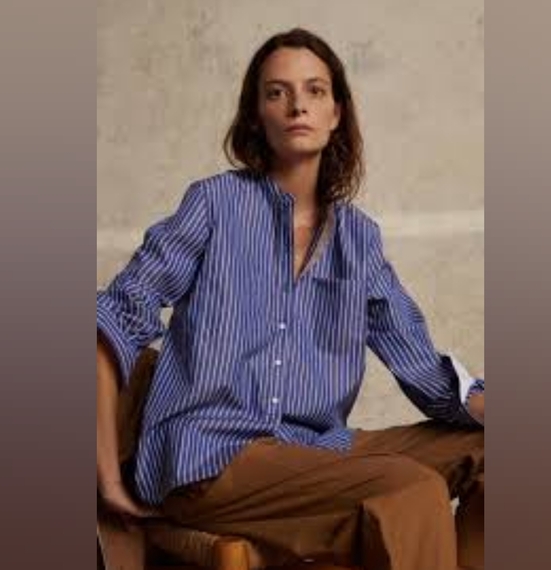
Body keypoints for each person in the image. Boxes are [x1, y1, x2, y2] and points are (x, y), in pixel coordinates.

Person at [97, 28, 484, 570]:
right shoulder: (214, 205)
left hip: (313, 451)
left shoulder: (359, 239)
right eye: (277, 92)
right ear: (256, 116)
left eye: (315, 90)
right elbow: (112, 318)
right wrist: (106, 476)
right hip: (209, 457)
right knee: (408, 488)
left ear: (336, 113)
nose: (297, 105)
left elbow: (424, 371)